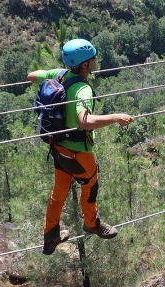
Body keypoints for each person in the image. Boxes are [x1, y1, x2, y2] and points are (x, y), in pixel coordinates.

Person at [27, 38, 134, 255]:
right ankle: (92, 223)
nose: (95, 61)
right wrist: (115, 117)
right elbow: (84, 121)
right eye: (92, 58)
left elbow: (32, 76)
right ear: (85, 64)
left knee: (59, 192)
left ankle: (50, 234)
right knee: (91, 185)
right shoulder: (82, 90)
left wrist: (46, 75)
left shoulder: (59, 74)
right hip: (78, 152)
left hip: (57, 148)